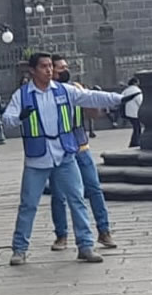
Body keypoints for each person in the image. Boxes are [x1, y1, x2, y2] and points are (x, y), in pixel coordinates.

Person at [2, 53, 123, 266]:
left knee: (77, 199)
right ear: (32, 71)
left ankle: (85, 246)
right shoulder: (22, 95)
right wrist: (19, 116)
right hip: (38, 158)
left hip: (65, 154)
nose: (49, 70)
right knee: (28, 204)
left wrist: (119, 99)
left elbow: (90, 97)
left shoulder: (63, 90)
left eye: (50, 66)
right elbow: (6, 120)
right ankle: (19, 249)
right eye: (43, 67)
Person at [47, 56, 118, 251]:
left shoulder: (75, 88)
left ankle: (104, 231)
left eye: (66, 67)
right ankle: (61, 235)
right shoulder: (45, 93)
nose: (65, 70)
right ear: (50, 70)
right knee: (59, 195)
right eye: (61, 68)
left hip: (80, 146)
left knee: (94, 189)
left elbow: (94, 114)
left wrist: (88, 98)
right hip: (59, 151)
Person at [122, 77, 143, 147]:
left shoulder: (126, 90)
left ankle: (134, 142)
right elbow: (140, 101)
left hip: (127, 112)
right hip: (135, 112)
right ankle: (135, 142)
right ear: (135, 83)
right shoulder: (137, 90)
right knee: (137, 128)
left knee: (136, 127)